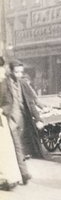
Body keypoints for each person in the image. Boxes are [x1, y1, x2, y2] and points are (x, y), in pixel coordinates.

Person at [3, 59, 45, 185]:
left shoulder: (23, 84)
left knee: (22, 146)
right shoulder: (4, 84)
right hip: (10, 119)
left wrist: (38, 119)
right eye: (16, 72)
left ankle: (21, 172)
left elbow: (31, 103)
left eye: (21, 72)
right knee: (16, 147)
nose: (19, 75)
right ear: (10, 71)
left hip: (23, 120)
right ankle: (23, 173)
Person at [0, 57, 22, 190]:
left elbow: (9, 101)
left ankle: (9, 178)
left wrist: (1, 110)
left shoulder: (4, 82)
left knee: (5, 150)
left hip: (1, 119)